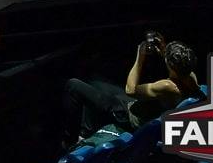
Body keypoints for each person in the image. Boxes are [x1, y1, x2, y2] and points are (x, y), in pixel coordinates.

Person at [64, 33, 198, 139]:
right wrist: (164, 49)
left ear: (171, 65)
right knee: (94, 82)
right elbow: (176, 65)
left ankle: (74, 138)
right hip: (141, 106)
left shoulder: (167, 86)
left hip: (129, 116)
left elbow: (131, 89)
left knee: (74, 85)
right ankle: (87, 129)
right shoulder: (190, 76)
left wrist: (139, 58)